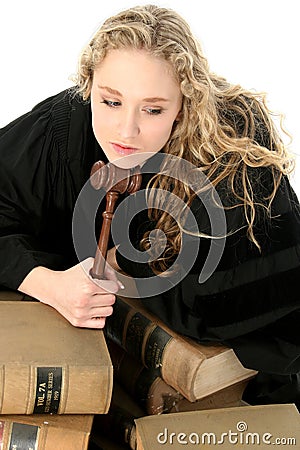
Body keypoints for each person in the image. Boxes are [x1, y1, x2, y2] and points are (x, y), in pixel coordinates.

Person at [0, 5, 299, 409]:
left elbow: (243, 299)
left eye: (153, 109)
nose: (126, 131)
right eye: (110, 101)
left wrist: (121, 263)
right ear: (88, 87)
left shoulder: (235, 144)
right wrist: (46, 282)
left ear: (184, 104)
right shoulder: (65, 127)